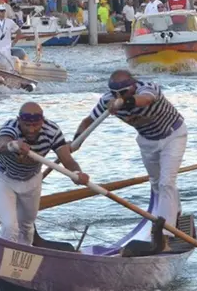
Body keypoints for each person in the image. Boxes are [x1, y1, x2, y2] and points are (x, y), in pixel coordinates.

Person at [74, 70, 187, 233]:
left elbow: (146, 99)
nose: (117, 96)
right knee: (156, 183)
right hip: (147, 140)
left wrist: (124, 102)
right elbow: (88, 121)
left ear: (133, 85)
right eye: (115, 93)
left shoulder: (148, 88)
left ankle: (166, 233)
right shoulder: (107, 101)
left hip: (173, 135)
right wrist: (76, 142)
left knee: (166, 182)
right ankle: (174, 211)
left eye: (123, 92)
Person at [0, 102, 89, 245]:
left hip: (31, 180)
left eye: (36, 125)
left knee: (26, 226)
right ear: (19, 120)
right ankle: (6, 260)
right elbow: (2, 143)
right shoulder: (10, 127)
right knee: (10, 226)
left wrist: (77, 173)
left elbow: (67, 159)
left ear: (42, 121)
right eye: (27, 125)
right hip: (2, 178)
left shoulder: (52, 131)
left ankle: (24, 259)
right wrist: (13, 145)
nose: (31, 130)